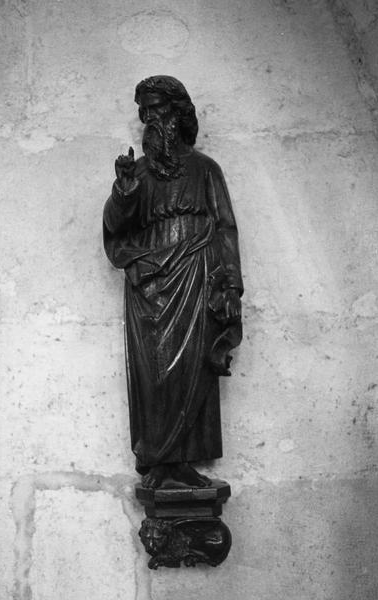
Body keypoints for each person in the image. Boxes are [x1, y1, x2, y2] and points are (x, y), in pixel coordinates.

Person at [103, 75, 243, 489]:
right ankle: (160, 464)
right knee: (156, 373)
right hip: (150, 288)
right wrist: (124, 191)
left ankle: (180, 463)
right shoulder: (139, 173)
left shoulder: (205, 170)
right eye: (144, 113)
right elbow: (116, 228)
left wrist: (230, 286)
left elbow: (226, 229)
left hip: (197, 278)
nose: (150, 119)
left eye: (157, 110)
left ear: (179, 114)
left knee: (195, 367)